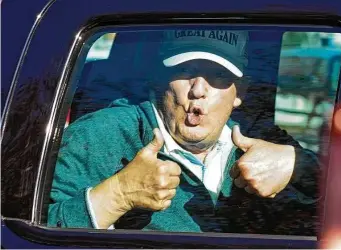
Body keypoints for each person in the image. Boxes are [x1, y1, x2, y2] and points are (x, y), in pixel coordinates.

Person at [48, 29, 320, 234]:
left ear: (241, 92)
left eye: (219, 76)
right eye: (185, 71)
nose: (198, 90)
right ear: (158, 81)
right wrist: (118, 194)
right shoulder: (100, 135)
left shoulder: (262, 140)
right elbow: (26, 232)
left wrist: (299, 165)